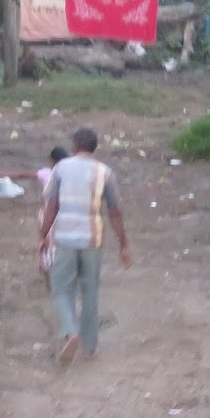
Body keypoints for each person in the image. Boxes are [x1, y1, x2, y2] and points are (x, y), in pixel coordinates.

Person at [37, 127, 132, 365]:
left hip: (66, 238)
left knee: (61, 287)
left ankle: (71, 332)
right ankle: (89, 349)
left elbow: (52, 206)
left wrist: (43, 235)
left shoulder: (61, 168)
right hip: (92, 239)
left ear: (74, 145)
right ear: (94, 148)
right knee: (90, 292)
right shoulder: (104, 172)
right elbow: (115, 211)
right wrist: (123, 245)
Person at [0, 146, 69, 288]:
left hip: (49, 213)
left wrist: (4, 174)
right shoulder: (72, 176)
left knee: (47, 242)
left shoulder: (47, 173)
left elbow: (23, 175)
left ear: (52, 160)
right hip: (67, 214)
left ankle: (49, 270)